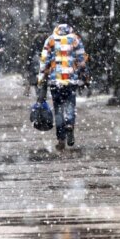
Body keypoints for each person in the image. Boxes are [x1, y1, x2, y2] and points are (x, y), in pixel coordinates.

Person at [37, 22, 86, 151]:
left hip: (55, 81)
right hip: (70, 80)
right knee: (70, 104)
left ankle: (61, 139)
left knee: (58, 108)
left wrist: (41, 78)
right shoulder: (75, 39)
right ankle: (69, 124)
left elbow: (44, 60)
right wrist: (79, 68)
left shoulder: (51, 40)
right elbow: (82, 60)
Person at [23, 26, 50, 97]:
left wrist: (27, 65)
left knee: (37, 80)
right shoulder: (48, 40)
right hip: (41, 63)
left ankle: (40, 95)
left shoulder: (35, 40)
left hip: (37, 64)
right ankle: (41, 95)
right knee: (42, 80)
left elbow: (30, 54)